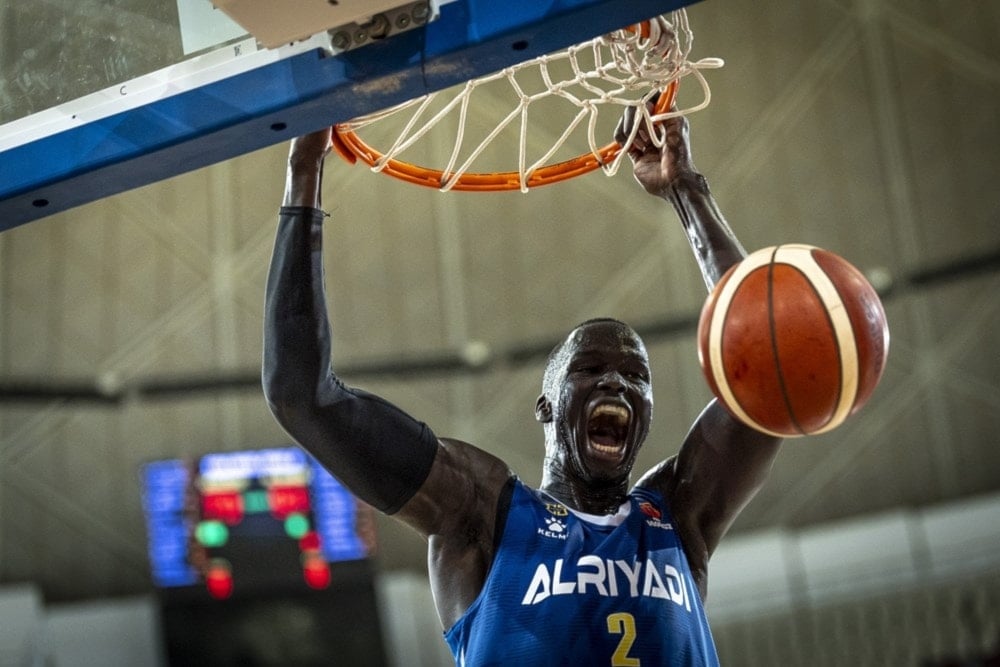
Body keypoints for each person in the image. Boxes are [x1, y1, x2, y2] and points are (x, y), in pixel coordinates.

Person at [262, 107, 783, 666]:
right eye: (589, 370)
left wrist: (687, 192)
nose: (615, 380)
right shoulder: (481, 512)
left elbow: (776, 363)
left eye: (636, 377)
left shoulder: (676, 514)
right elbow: (303, 396)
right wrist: (304, 167)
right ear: (547, 406)